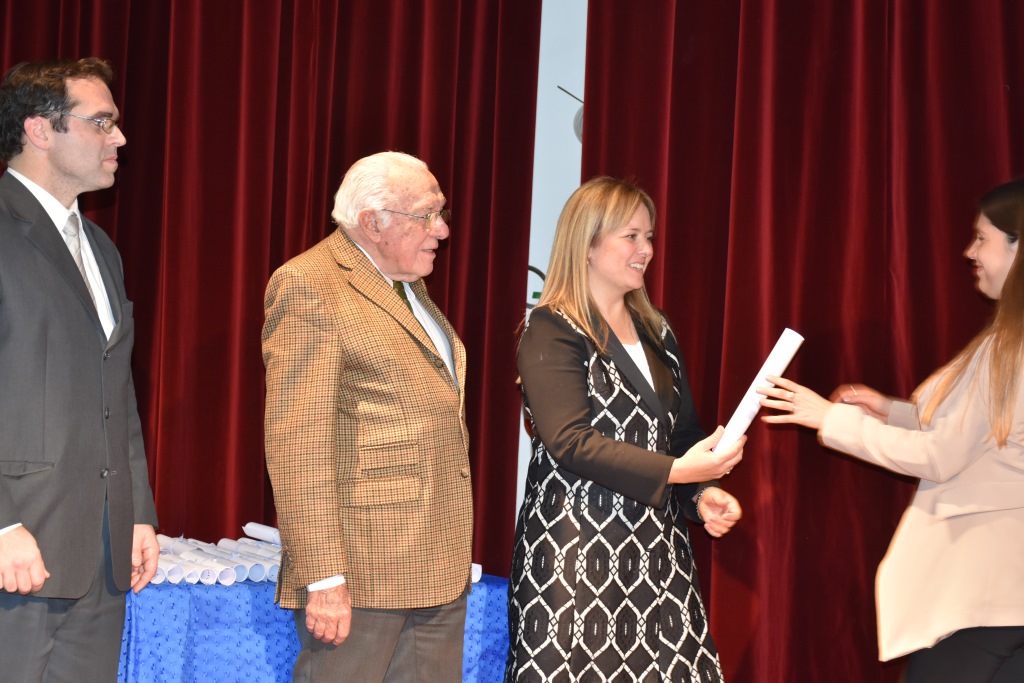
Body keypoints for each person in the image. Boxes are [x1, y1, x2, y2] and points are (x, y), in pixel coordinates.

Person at [759, 179, 1024, 682]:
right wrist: (891, 411)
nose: (970, 251)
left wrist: (827, 418)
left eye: (982, 238)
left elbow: (942, 455)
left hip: (984, 593)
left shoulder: (1008, 347)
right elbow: (990, 431)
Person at [505, 177, 745, 683]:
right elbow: (570, 441)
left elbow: (681, 439)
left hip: (659, 557)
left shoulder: (658, 330)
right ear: (587, 244)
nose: (647, 250)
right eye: (631, 236)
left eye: (649, 237)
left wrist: (700, 495)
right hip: (576, 556)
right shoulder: (551, 327)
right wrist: (679, 470)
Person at [262, 151, 473, 682]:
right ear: (372, 222)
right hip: (360, 576)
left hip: (435, 567)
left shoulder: (407, 286)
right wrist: (324, 577)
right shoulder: (311, 285)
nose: (442, 230)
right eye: (427, 215)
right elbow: (298, 442)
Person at [0, 58, 159, 681]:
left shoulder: (101, 248)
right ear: (41, 130)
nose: (119, 138)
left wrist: (138, 510)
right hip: (18, 549)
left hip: (100, 551)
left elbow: (115, 392)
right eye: (102, 122)